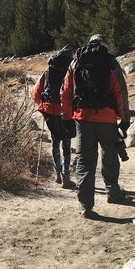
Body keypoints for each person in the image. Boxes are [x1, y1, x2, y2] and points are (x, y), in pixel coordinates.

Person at [61, 34, 130, 218]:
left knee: (84, 160)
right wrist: (124, 118)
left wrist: (67, 117)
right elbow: (120, 90)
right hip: (107, 118)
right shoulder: (110, 62)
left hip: (83, 119)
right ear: (103, 44)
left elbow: (66, 91)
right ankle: (113, 192)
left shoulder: (76, 62)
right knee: (110, 155)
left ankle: (86, 205)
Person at [33, 45, 76, 188]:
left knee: (55, 142)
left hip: (49, 110)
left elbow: (36, 93)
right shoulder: (71, 70)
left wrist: (42, 108)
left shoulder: (49, 70)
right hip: (65, 112)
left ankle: (57, 174)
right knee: (67, 143)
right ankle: (66, 176)